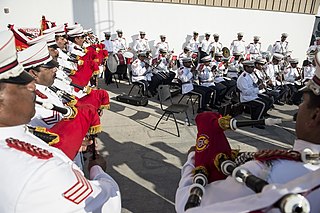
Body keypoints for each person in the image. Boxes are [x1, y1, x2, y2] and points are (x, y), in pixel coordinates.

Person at [175, 52, 320, 213]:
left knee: (262, 97)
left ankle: (257, 113)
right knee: (216, 90)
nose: (299, 108)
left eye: (303, 102)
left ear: (315, 116)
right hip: (240, 94)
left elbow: (188, 207)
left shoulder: (265, 171)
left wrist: (192, 161)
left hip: (248, 93)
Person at [0, 30, 121, 213]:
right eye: (21, 81)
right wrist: (98, 172)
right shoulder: (40, 171)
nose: (32, 85)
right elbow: (102, 204)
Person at [237, 60, 273, 128]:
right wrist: (258, 88)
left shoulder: (250, 75)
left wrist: (260, 84)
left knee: (268, 100)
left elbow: (253, 85)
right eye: (251, 67)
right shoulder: (243, 78)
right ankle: (256, 122)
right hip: (246, 98)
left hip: (253, 95)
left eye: (253, 67)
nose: (253, 69)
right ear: (246, 67)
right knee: (263, 104)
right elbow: (246, 92)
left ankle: (257, 117)